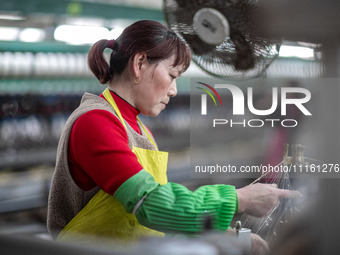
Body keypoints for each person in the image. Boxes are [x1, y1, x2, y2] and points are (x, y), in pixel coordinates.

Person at [47, 20, 300, 253]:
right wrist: (239, 199)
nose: (174, 90)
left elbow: (163, 217)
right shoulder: (96, 121)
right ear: (139, 64)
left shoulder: (138, 129)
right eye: (172, 75)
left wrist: (234, 237)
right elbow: (152, 204)